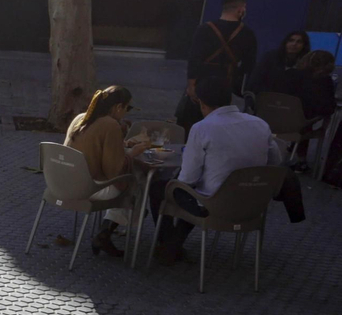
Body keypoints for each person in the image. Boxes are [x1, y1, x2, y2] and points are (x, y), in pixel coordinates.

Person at [153, 77, 281, 265]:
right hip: (254, 203)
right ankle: (173, 245)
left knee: (163, 189)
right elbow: (275, 162)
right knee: (197, 191)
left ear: (201, 103)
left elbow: (187, 178)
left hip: (214, 205)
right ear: (230, 100)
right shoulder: (260, 124)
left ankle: (169, 245)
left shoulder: (202, 128)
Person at [64, 86, 148, 258]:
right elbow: (114, 170)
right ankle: (108, 231)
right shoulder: (111, 124)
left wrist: (122, 145)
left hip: (62, 182)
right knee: (136, 184)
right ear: (118, 107)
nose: (126, 113)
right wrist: (134, 153)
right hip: (89, 188)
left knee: (133, 184)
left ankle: (107, 231)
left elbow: (92, 147)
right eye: (127, 108)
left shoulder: (81, 118)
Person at [181, 0, 257, 132]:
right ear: (240, 10)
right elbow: (249, 65)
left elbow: (194, 58)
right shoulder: (248, 34)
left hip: (202, 80)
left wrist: (191, 85)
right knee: (221, 123)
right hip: (227, 83)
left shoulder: (204, 29)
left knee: (193, 121)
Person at [248, 30, 310, 97]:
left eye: (299, 42)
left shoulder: (306, 64)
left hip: (291, 101)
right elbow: (256, 81)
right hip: (266, 97)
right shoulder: (270, 58)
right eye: (291, 40)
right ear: (285, 43)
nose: (294, 44)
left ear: (304, 45)